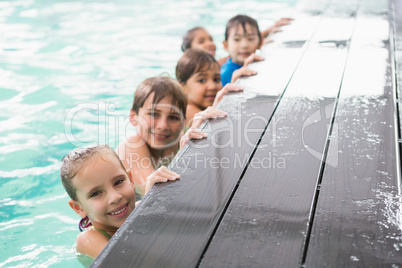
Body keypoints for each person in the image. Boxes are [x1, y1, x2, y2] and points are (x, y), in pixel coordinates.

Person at [60, 144, 181, 258]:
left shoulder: (141, 209)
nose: (115, 197)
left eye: (118, 182)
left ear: (131, 180)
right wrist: (149, 205)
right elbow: (128, 260)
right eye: (96, 193)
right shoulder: (88, 240)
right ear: (79, 208)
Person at [116, 76, 227, 196]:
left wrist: (216, 109)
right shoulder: (131, 145)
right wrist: (183, 154)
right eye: (154, 114)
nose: (163, 126)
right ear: (133, 117)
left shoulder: (177, 141)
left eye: (173, 117)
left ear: (183, 123)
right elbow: (150, 188)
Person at [180, 18, 292, 65]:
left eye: (210, 39)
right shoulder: (218, 66)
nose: (210, 43)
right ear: (189, 52)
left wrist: (267, 30)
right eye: (201, 41)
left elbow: (240, 43)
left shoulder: (220, 62)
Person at [175, 48, 243, 126]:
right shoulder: (187, 111)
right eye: (202, 80)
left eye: (216, 79)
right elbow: (213, 127)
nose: (212, 86)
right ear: (183, 87)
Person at [220, 14, 269, 87]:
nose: (244, 45)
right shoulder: (225, 73)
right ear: (226, 45)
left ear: (260, 43)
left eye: (250, 39)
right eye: (237, 39)